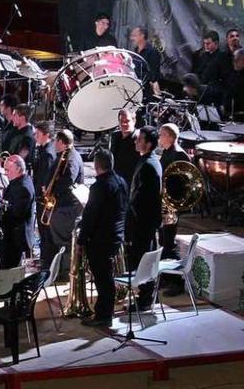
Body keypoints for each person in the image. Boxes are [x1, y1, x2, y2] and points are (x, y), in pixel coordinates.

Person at [78, 149, 127, 327]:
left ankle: (103, 315)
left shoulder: (99, 187)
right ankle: (105, 311)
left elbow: (90, 216)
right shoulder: (121, 181)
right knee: (105, 276)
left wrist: (82, 240)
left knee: (102, 277)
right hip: (116, 234)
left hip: (101, 239)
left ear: (96, 166)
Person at [127, 126, 163, 311]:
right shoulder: (149, 160)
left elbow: (142, 197)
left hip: (143, 221)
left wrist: (127, 208)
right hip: (145, 220)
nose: (136, 141)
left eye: (139, 139)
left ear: (148, 144)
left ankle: (145, 298)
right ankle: (146, 295)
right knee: (144, 257)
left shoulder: (148, 164)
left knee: (143, 259)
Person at [44, 129, 85, 276]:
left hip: (66, 207)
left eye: (56, 141)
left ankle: (66, 272)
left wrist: (52, 191)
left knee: (64, 241)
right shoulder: (66, 155)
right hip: (63, 206)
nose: (54, 144)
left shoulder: (71, 158)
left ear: (62, 142)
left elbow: (68, 180)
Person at [157, 123, 189, 297]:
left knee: (169, 244)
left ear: (170, 136)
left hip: (172, 207)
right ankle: (166, 277)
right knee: (163, 242)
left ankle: (177, 282)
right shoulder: (167, 153)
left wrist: (173, 205)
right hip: (164, 204)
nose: (160, 138)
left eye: (162, 135)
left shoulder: (179, 155)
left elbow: (185, 183)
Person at [0, 155, 34, 269]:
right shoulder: (18, 182)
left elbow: (17, 213)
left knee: (10, 270)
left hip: (15, 238)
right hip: (11, 236)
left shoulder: (23, 187)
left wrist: (3, 206)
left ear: (18, 169)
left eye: (8, 170)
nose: (5, 173)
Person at [32, 121, 56, 261]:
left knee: (45, 230)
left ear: (46, 135)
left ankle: (46, 261)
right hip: (42, 196)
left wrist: (41, 191)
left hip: (44, 198)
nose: (35, 137)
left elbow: (44, 177)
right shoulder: (43, 150)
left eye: (38, 134)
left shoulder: (47, 153)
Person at [129, 26, 162, 103]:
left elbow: (153, 73)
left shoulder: (152, 52)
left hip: (146, 90)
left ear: (142, 36)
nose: (131, 38)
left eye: (134, 35)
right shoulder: (135, 51)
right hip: (135, 87)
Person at [110, 108, 139, 185]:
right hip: (116, 180)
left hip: (131, 182)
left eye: (127, 121)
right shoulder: (115, 136)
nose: (124, 124)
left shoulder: (139, 139)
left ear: (134, 121)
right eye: (121, 121)